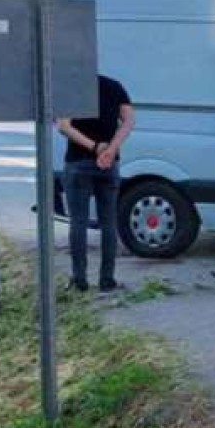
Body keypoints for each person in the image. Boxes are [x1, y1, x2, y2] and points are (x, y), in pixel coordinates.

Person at [57, 74, 134, 293]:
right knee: (108, 223)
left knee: (78, 222)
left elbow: (64, 126)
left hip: (78, 163)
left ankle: (79, 279)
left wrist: (95, 147)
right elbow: (129, 121)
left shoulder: (71, 86)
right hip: (109, 164)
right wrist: (111, 149)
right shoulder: (114, 86)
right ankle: (107, 280)